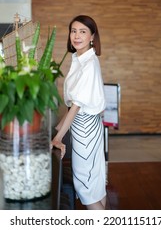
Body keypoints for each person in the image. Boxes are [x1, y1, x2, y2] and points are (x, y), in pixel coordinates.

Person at [52, 15, 106, 210]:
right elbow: (74, 104)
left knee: (86, 188)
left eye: (82, 31)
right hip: (86, 127)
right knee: (95, 187)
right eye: (73, 31)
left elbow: (76, 106)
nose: (76, 36)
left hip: (85, 131)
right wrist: (57, 128)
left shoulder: (89, 63)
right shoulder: (79, 58)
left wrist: (57, 137)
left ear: (92, 37)